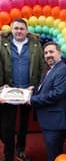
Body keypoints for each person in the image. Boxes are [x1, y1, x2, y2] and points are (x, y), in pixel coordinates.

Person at [0, 18, 45, 161]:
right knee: (7, 125)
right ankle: (9, 154)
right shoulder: (2, 44)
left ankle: (20, 149)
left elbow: (42, 66)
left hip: (28, 91)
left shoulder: (36, 45)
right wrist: (1, 85)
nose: (19, 31)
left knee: (23, 124)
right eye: (16, 28)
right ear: (11, 30)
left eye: (22, 28)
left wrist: (37, 86)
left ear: (26, 30)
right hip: (8, 91)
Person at [27, 41, 66, 161]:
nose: (48, 55)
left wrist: (31, 100)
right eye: (46, 53)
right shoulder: (51, 69)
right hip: (49, 120)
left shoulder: (64, 70)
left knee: (55, 155)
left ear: (60, 53)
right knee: (54, 152)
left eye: (51, 51)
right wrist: (32, 91)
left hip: (55, 122)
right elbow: (45, 89)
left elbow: (57, 94)